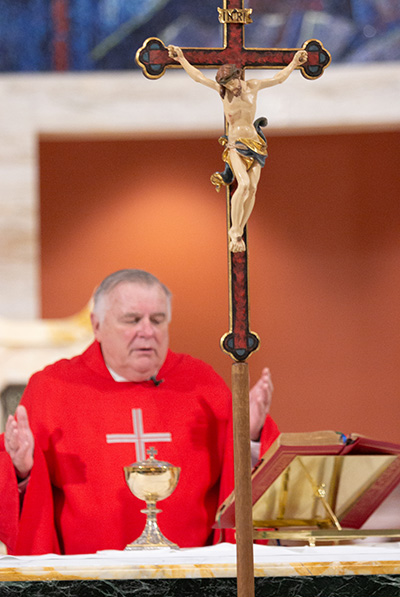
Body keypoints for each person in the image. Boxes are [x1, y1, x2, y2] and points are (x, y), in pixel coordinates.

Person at [0, 269, 279, 555]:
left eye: (157, 320)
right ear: (97, 325)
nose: (147, 331)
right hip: (85, 580)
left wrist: (251, 435)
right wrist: (21, 469)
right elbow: (26, 504)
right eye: (132, 320)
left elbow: (242, 488)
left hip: (191, 578)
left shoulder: (201, 384)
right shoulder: (52, 388)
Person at [168, 46, 308, 253]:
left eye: (231, 81)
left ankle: (240, 230)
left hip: (256, 144)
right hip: (236, 145)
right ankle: (234, 231)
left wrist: (295, 63)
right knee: (242, 184)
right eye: (225, 84)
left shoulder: (254, 85)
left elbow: (278, 78)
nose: (230, 86)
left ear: (238, 76)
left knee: (252, 189)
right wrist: (181, 59)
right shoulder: (223, 93)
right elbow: (198, 77)